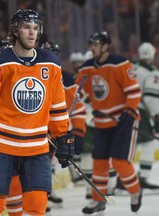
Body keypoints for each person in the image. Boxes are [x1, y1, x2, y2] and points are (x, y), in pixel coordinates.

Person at [0, 9, 75, 215]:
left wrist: (62, 136)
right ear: (15, 31)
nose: (32, 33)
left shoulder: (50, 62)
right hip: (0, 147)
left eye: (35, 28)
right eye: (26, 27)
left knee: (37, 207)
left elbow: (57, 106)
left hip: (36, 148)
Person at [76, 31, 142, 214]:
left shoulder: (120, 63)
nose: (92, 48)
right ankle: (98, 200)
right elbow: (77, 93)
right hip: (102, 123)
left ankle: (136, 191)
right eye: (91, 44)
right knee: (99, 164)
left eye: (96, 44)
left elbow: (134, 91)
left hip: (123, 121)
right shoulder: (86, 68)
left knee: (120, 163)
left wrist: (129, 111)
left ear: (105, 46)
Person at [132, 42, 159, 189]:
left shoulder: (131, 66)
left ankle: (122, 178)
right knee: (148, 144)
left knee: (129, 145)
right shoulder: (151, 72)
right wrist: (157, 116)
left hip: (124, 110)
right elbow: (150, 98)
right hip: (140, 112)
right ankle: (142, 177)